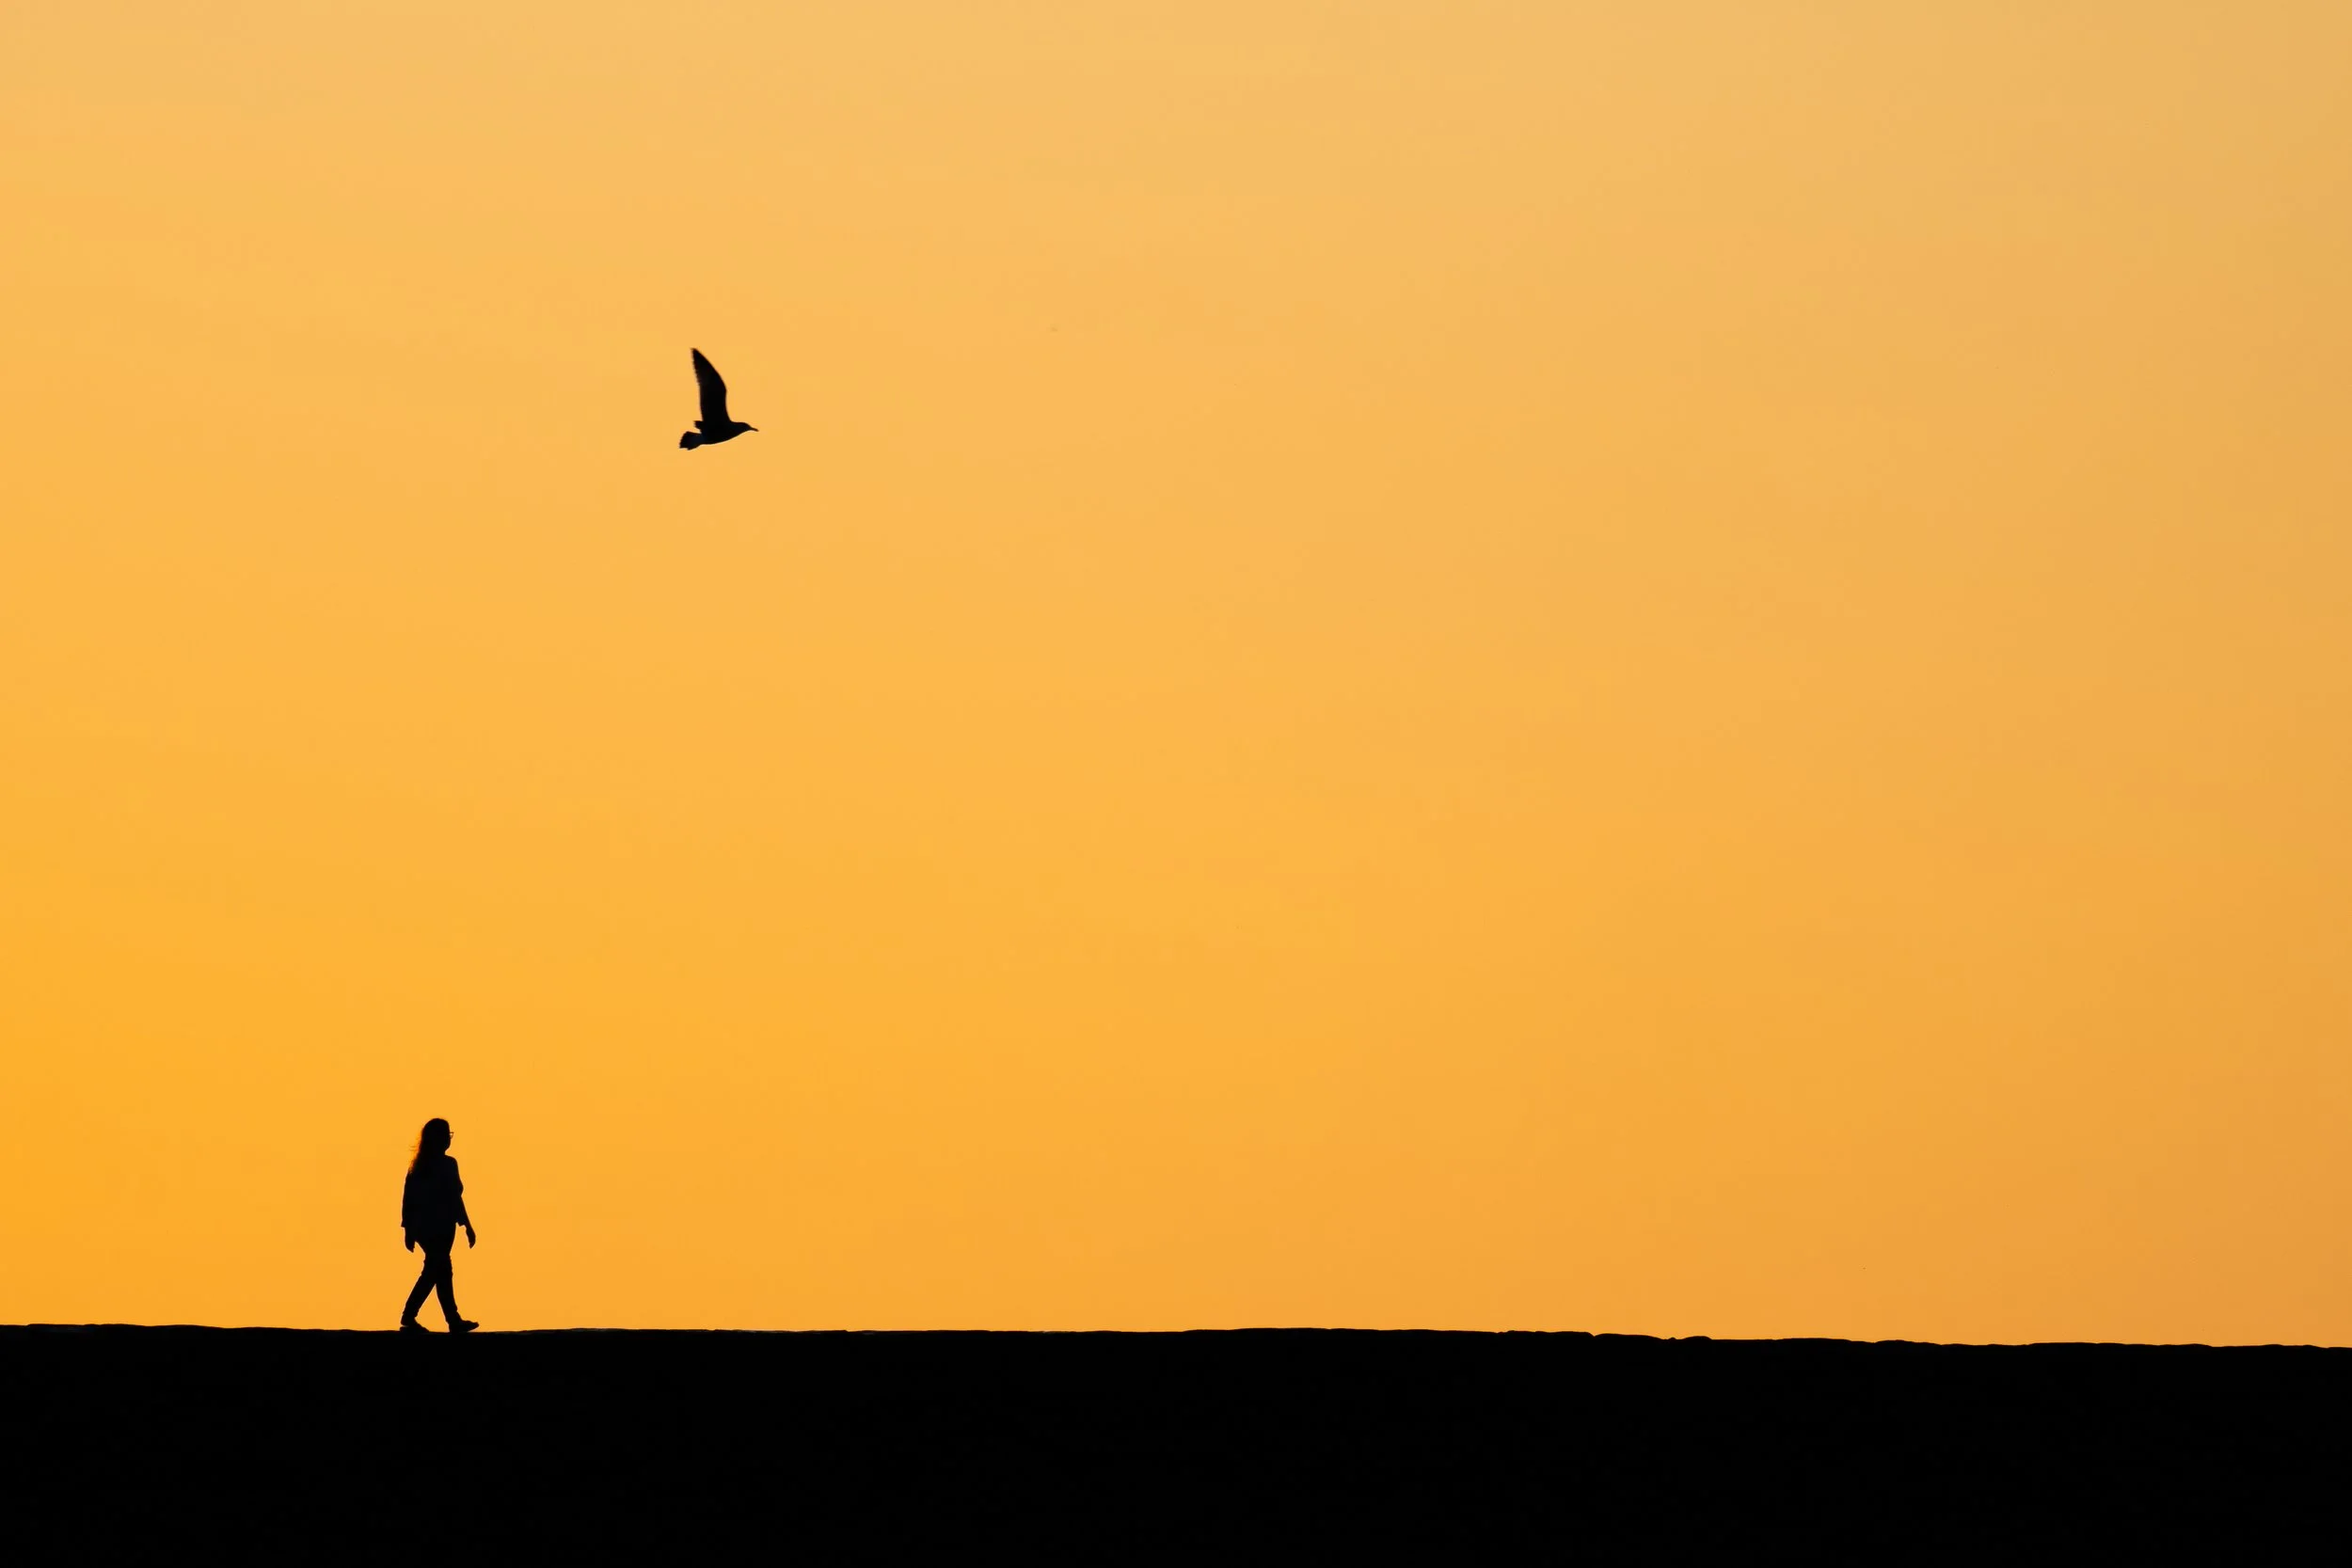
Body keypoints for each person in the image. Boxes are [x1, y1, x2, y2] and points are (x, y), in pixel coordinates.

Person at [400, 1117, 479, 1333]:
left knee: (440, 1270)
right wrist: (408, 1229)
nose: (448, 1140)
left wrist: (466, 1225)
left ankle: (452, 1319)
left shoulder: (442, 1164)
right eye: (445, 1135)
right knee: (437, 1269)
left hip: (441, 1226)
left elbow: (454, 1197)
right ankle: (410, 1315)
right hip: (431, 1227)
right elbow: (410, 1199)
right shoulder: (427, 1166)